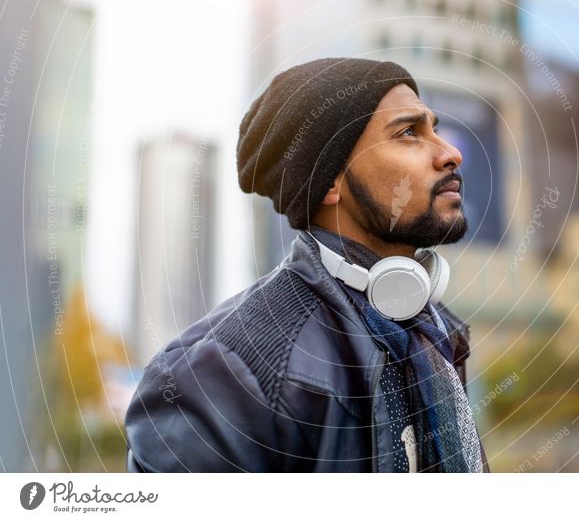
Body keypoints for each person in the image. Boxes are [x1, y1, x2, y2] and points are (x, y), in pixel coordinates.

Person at [124, 57, 490, 472]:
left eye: (434, 130)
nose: (451, 153)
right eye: (408, 133)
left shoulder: (431, 331)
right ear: (330, 179)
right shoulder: (220, 374)